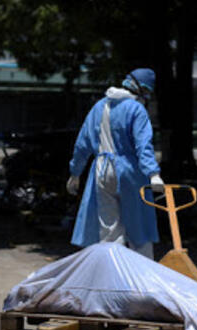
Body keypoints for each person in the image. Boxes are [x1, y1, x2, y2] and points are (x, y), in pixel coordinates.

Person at [66, 68, 165, 259]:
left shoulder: (99, 106)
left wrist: (75, 173)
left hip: (101, 170)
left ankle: (112, 271)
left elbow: (82, 144)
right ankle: (142, 272)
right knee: (139, 227)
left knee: (109, 229)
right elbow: (143, 145)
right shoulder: (137, 109)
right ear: (142, 89)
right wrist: (153, 174)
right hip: (130, 171)